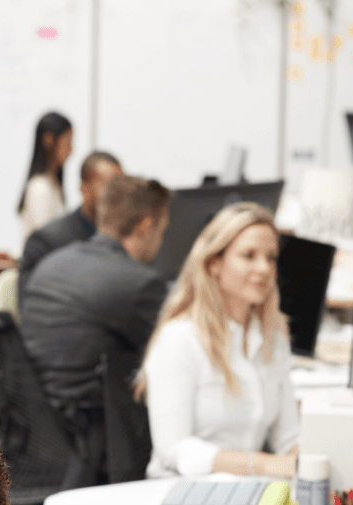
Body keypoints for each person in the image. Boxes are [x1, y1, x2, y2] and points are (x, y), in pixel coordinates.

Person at [19, 174, 171, 481]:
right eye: (163, 231)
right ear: (145, 227)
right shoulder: (139, 284)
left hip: (37, 430)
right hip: (96, 440)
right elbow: (178, 351)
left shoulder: (52, 264)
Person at [136, 202, 299, 479]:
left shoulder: (273, 338)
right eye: (248, 255)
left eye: (271, 257)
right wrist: (261, 465)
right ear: (214, 264)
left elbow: (288, 437)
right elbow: (173, 448)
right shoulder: (180, 340)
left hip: (252, 494)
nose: (264, 268)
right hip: (184, 495)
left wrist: (303, 461)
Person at [17, 150, 123, 303]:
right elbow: (32, 308)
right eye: (109, 186)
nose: (117, 195)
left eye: (121, 188)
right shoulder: (46, 242)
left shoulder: (126, 240)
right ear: (84, 188)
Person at [17, 111, 73, 248]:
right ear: (49, 140)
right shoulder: (39, 187)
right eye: (68, 142)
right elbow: (46, 239)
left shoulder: (52, 183)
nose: (71, 149)